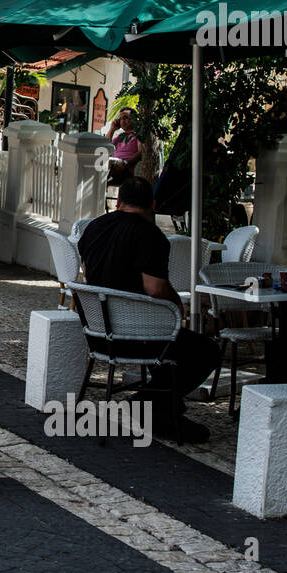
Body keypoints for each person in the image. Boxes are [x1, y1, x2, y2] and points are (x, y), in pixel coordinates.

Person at [77, 175, 218, 443]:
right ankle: (147, 406)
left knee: (175, 351)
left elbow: (87, 273)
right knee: (205, 350)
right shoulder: (150, 236)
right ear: (152, 204)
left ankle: (162, 409)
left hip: (97, 332)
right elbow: (155, 289)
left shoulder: (93, 229)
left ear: (118, 201)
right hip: (138, 337)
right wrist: (177, 303)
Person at [103, 108, 142, 183]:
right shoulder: (119, 137)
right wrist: (112, 129)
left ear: (134, 119)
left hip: (125, 169)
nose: (122, 121)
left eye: (125, 118)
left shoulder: (138, 135)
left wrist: (125, 163)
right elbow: (105, 147)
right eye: (120, 119)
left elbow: (141, 152)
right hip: (112, 167)